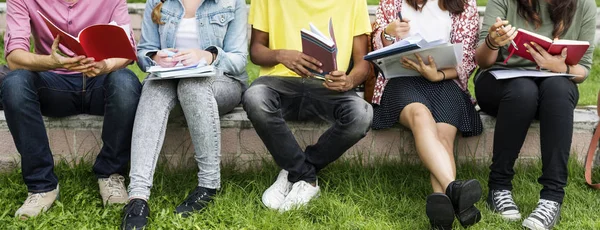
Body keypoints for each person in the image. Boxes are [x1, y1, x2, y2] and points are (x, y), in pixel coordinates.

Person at [1, 0, 141, 219]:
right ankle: (42, 186)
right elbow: (14, 57)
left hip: (99, 82)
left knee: (126, 82)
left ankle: (110, 174)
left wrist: (105, 65)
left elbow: (127, 51)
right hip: (53, 83)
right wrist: (53, 62)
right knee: (14, 83)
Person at [120, 0, 248, 229]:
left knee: (192, 86)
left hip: (220, 82)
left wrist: (208, 56)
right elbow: (143, 52)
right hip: (169, 79)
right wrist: (155, 57)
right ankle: (137, 197)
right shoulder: (156, 1)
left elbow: (239, 60)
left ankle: (209, 185)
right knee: (152, 88)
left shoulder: (231, 2)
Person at [475, 0, 596, 228]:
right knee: (524, 90)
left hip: (553, 86)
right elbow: (482, 61)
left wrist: (561, 68)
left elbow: (584, 70)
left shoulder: (584, 5)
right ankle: (499, 186)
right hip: (501, 83)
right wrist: (491, 42)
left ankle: (551, 198)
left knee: (560, 89)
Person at [243, 0, 373, 212]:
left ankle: (294, 168)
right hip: (278, 83)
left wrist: (349, 81)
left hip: (328, 86)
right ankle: (305, 176)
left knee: (361, 115)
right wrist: (280, 55)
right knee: (255, 97)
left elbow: (363, 62)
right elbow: (256, 52)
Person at [371, 0, 483, 229]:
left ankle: (441, 220)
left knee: (443, 136)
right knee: (420, 116)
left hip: (445, 81)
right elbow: (377, 52)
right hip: (401, 82)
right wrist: (388, 34)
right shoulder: (392, 2)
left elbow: (467, 58)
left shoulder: (464, 4)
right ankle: (454, 189)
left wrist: (437, 75)